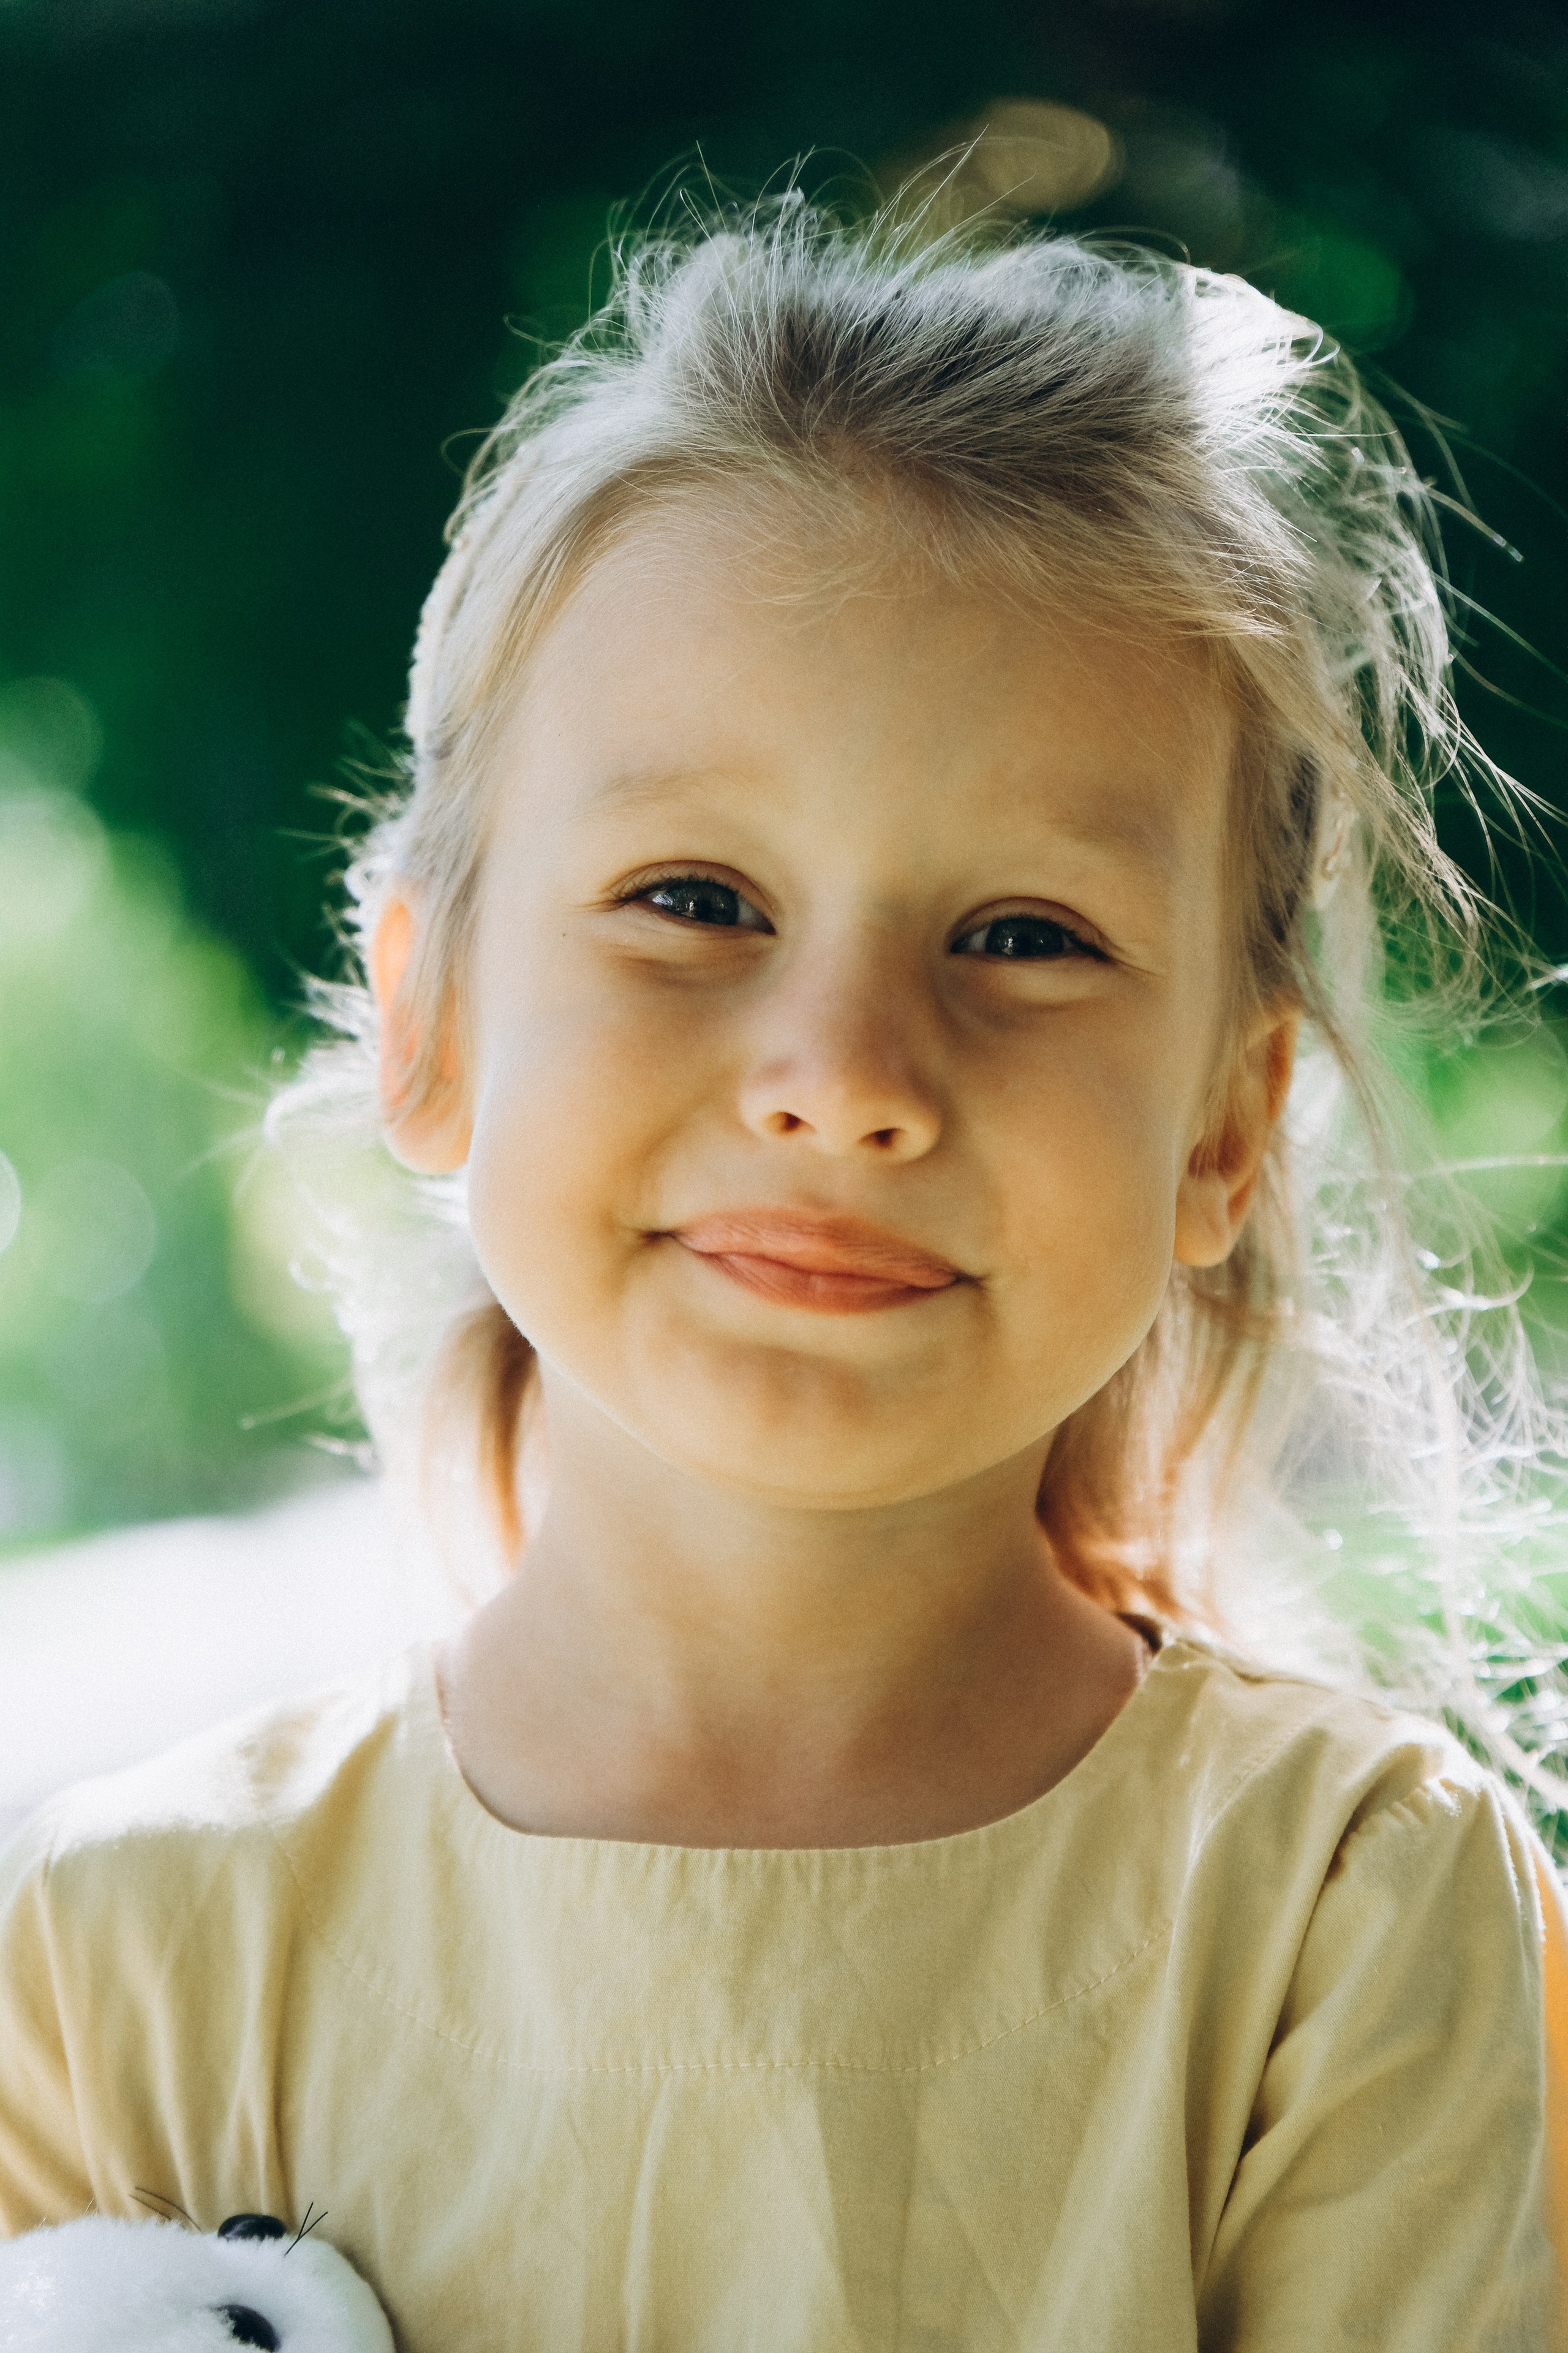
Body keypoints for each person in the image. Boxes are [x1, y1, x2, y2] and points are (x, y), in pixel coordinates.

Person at [0, 193, 1562, 2350]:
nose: (843, 1077)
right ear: (429, 1023)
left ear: (1223, 1119)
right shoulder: (125, 1949)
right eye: (692, 897)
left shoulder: (1343, 1915)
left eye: (1024, 936)